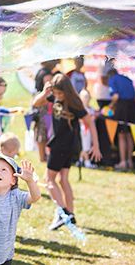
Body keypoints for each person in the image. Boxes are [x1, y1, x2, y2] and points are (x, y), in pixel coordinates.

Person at [33, 73, 101, 230]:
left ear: (67, 91)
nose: (57, 96)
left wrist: (95, 146)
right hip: (65, 145)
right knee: (63, 179)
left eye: (60, 93)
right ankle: (70, 215)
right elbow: (36, 103)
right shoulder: (54, 97)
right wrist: (45, 92)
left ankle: (62, 212)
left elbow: (90, 123)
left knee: (49, 180)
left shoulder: (74, 103)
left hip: (64, 146)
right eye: (55, 93)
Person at [107, 68, 135, 170]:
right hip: (132, 107)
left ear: (110, 75)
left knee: (121, 135)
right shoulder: (127, 79)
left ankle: (122, 162)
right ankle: (130, 161)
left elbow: (116, 96)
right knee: (129, 134)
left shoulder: (112, 79)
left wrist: (110, 106)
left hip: (122, 107)